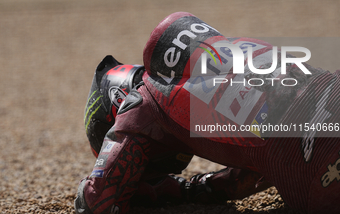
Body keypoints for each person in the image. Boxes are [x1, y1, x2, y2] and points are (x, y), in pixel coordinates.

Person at [75, 12, 340, 214]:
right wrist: (191, 188)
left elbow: (100, 199)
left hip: (325, 170)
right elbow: (263, 159)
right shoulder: (233, 51)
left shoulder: (143, 103)